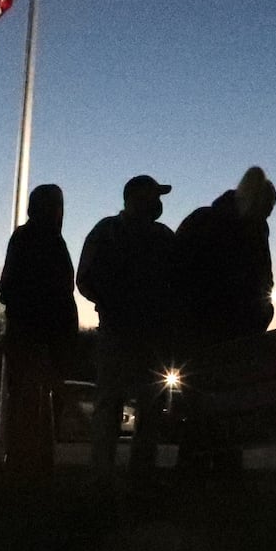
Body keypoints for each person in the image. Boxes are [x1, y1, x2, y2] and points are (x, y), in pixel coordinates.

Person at [171, 166, 276, 473]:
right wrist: (261, 316)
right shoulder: (251, 231)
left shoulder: (203, 221)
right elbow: (262, 283)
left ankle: (193, 474)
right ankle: (221, 476)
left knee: (202, 412)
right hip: (225, 336)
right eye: (268, 210)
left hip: (201, 334)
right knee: (228, 412)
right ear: (260, 204)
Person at [76, 174, 176, 483]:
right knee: (113, 404)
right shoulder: (109, 232)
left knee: (144, 406)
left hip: (147, 335)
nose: (158, 203)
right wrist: (113, 303)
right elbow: (86, 280)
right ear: (136, 198)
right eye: (154, 196)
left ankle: (133, 473)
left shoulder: (160, 236)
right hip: (122, 333)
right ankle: (106, 474)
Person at [0, 184, 77, 479]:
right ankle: (23, 464)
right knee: (27, 403)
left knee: (38, 405)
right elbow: (12, 287)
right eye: (54, 206)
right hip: (32, 335)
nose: (58, 212)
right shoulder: (30, 239)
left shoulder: (51, 241)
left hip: (44, 336)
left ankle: (35, 463)